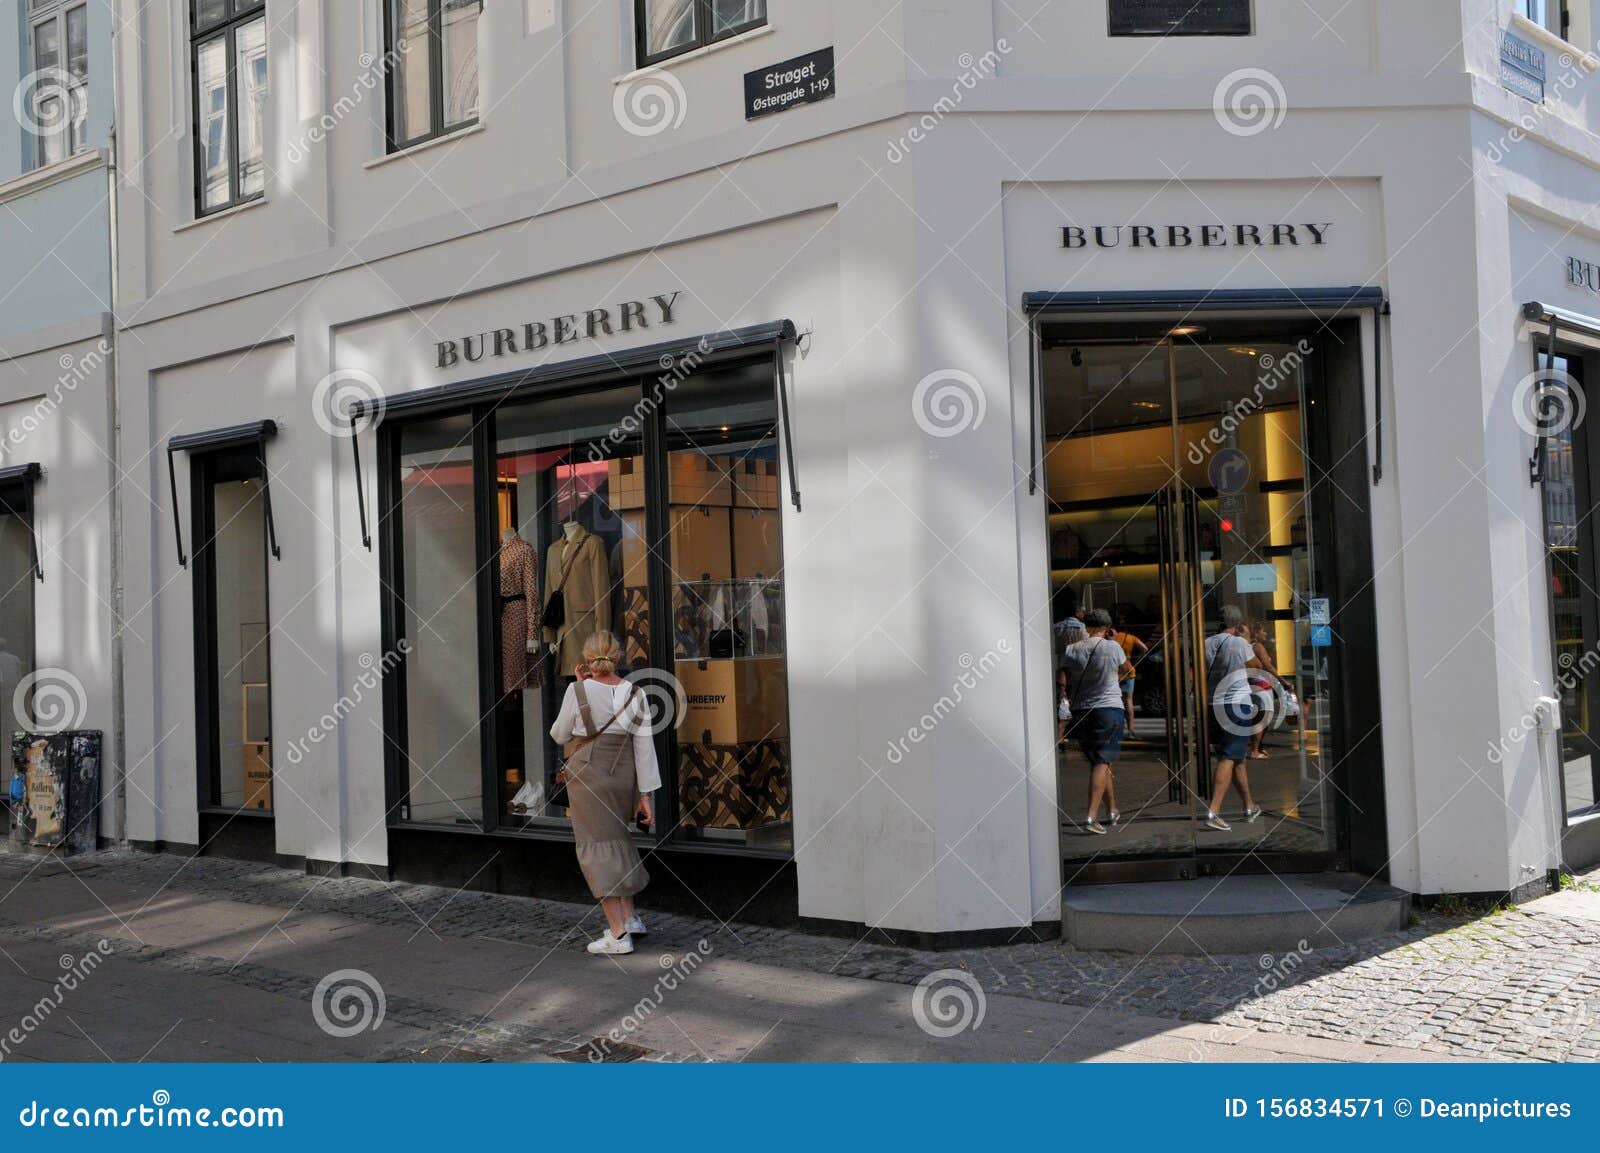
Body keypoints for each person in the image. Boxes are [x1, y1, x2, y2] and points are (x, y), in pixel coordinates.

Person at [549, 631, 659, 955]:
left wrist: (579, 687)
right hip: (624, 774)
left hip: (589, 774)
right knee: (618, 840)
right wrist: (645, 795)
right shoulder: (635, 692)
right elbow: (645, 747)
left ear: (586, 658)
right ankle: (631, 917)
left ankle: (618, 932)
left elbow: (559, 734)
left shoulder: (577, 689)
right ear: (618, 657)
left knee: (596, 848)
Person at [1061, 609, 1133, 835]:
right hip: (1109, 709)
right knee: (1103, 763)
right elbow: (1130, 671)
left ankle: (1112, 809)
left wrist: (1064, 692)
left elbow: (1063, 673)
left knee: (1098, 763)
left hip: (1082, 709)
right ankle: (1091, 817)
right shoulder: (1112, 647)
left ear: (1087, 625)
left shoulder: (1072, 649)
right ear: (1107, 625)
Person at [1202, 606, 1262, 832]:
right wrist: (1246, 638)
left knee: (1237, 757)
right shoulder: (1240, 643)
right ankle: (1213, 811)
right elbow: (1256, 665)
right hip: (1237, 704)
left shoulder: (1207, 643)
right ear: (1238, 624)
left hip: (1213, 704)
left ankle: (1249, 805)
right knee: (1228, 757)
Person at [1111, 614, 1150, 730]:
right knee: (1129, 701)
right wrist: (1135, 659)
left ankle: (1116, 727)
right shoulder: (1131, 637)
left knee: (1114, 700)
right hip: (1128, 670)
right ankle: (1131, 729)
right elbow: (1145, 649)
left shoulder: (1110, 638)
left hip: (1114, 672)